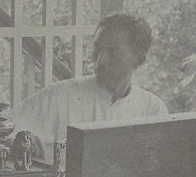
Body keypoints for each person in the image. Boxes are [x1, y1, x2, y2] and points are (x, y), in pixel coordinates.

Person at [10, 14, 168, 163]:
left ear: (139, 60)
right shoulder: (61, 95)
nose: (100, 60)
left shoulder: (152, 109)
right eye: (97, 48)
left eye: (113, 51)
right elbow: (3, 130)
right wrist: (23, 146)